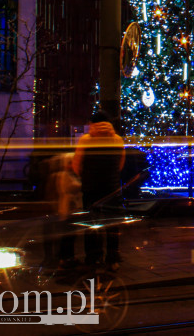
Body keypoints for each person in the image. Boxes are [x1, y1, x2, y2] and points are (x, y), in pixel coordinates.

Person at [74, 112, 126, 270]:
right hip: (112, 189)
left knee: (91, 224)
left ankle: (93, 257)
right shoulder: (117, 140)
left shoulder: (86, 140)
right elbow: (120, 164)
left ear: (92, 123)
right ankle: (112, 259)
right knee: (112, 224)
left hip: (91, 189)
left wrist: (86, 176)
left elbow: (77, 165)